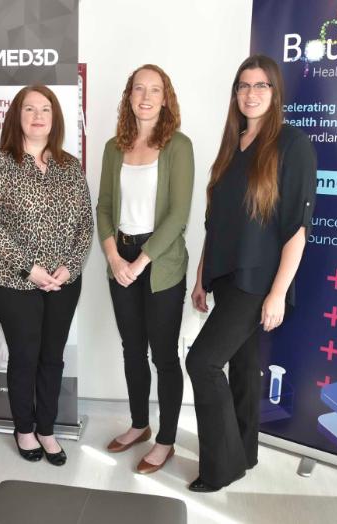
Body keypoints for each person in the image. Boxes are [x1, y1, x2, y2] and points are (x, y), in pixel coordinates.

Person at [185, 54, 317, 492]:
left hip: (257, 280)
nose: (251, 93)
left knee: (201, 363)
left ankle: (220, 468)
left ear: (275, 93)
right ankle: (244, 452)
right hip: (223, 274)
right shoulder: (232, 145)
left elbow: (296, 230)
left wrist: (278, 293)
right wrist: (202, 275)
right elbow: (214, 221)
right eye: (243, 86)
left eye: (261, 86)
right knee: (242, 366)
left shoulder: (292, 145)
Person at [0, 85, 92, 467]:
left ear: (55, 118)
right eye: (30, 109)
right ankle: (23, 428)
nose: (38, 116)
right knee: (25, 356)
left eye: (46, 109)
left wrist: (69, 268)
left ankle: (46, 429)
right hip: (14, 282)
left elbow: (85, 225)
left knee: (52, 358)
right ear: (17, 116)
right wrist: (31, 268)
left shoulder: (69, 166)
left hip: (63, 282)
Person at [96, 64, 194, 474]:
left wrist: (140, 261)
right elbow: (102, 206)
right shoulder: (113, 147)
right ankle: (140, 424)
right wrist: (115, 258)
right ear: (129, 96)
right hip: (120, 260)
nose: (147, 96)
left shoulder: (179, 145)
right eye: (140, 88)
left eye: (156, 89)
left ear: (165, 97)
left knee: (165, 356)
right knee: (131, 349)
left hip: (161, 264)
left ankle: (166, 439)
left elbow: (179, 214)